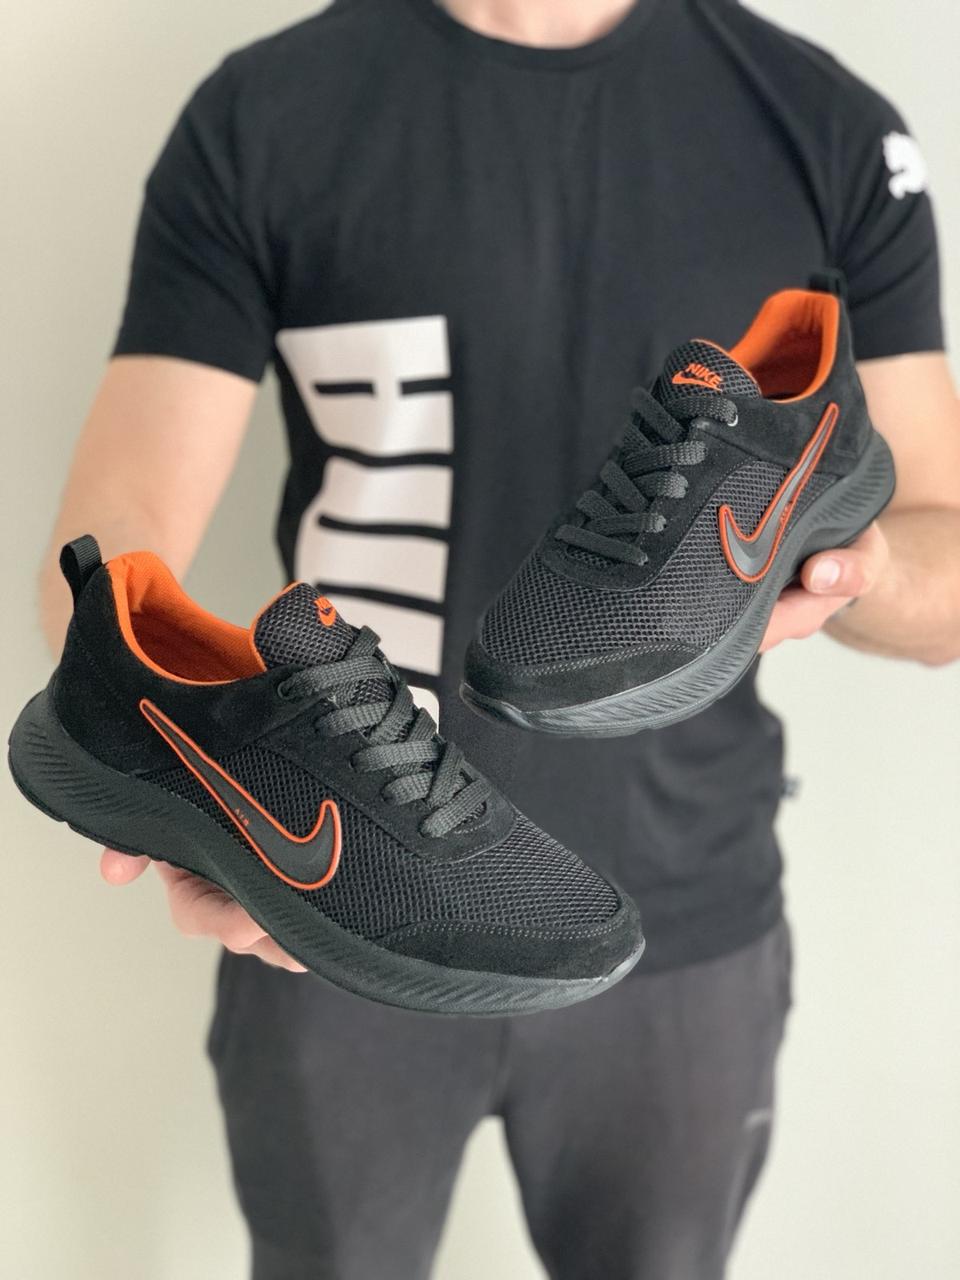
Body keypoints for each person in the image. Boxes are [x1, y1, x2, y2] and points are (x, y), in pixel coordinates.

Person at [40, 2, 960, 1277]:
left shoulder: (827, 127)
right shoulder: (266, 114)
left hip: (685, 924)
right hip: (334, 907)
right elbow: (113, 556)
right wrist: (193, 792)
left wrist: (850, 566)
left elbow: (940, 553)